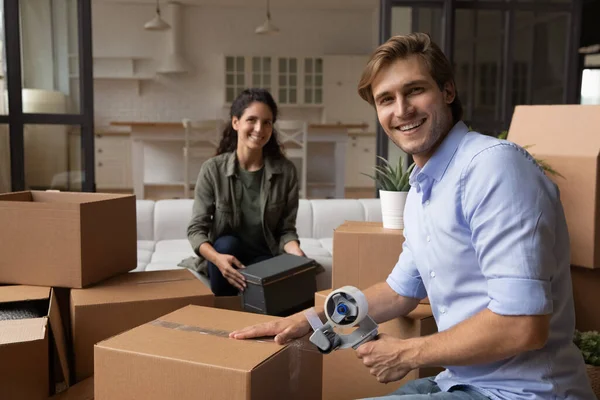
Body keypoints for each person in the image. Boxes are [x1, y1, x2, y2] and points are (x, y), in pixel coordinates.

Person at [229, 33, 595, 399]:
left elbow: (523, 325)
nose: (401, 109)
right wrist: (310, 319)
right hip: (460, 381)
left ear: (447, 91)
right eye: (385, 99)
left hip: (522, 393)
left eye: (415, 90)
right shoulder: (423, 188)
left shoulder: (493, 167)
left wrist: (407, 352)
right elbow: (398, 292)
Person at [187, 88, 305, 297]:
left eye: (267, 122)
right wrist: (216, 258)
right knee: (226, 243)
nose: (259, 129)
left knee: (274, 281)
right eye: (252, 120)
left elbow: (286, 229)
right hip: (225, 259)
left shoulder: (286, 172)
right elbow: (197, 230)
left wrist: (296, 253)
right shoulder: (213, 170)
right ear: (236, 122)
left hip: (264, 255)